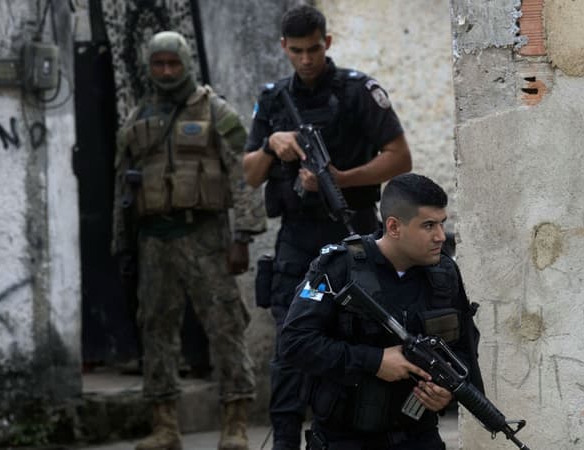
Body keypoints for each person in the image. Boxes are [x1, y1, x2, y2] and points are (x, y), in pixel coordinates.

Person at [242, 5, 411, 449]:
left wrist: (339, 178)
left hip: (352, 237)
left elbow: (399, 157)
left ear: (327, 43)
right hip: (297, 243)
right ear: (284, 48)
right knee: (291, 348)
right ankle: (284, 441)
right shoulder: (274, 97)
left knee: (354, 339)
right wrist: (270, 144)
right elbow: (249, 174)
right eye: (296, 51)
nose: (306, 60)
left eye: (314, 49)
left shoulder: (358, 91)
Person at [111, 31, 264, 450]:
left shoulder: (215, 110)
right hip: (154, 242)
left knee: (226, 326)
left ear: (186, 63)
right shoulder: (137, 117)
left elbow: (244, 173)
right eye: (158, 64)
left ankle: (234, 423)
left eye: (172, 63)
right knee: (156, 330)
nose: (165, 71)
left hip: (206, 237)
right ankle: (165, 426)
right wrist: (122, 244)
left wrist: (244, 235)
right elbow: (122, 187)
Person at [278, 173, 481, 449]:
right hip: (345, 439)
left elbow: (465, 349)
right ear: (394, 227)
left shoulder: (443, 274)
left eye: (442, 224)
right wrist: (374, 361)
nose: (440, 236)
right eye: (429, 225)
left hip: (418, 437)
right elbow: (294, 342)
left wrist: (447, 393)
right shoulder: (337, 268)